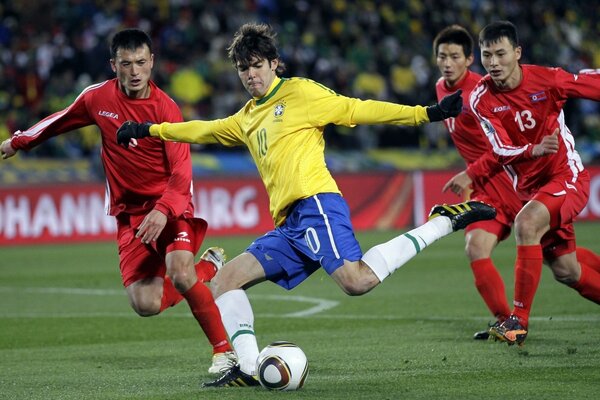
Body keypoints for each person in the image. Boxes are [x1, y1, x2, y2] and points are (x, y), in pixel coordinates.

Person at [116, 23, 496, 387]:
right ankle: (248, 367)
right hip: (288, 225)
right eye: (243, 69)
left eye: (257, 66)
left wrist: (425, 113)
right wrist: (149, 129)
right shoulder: (247, 118)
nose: (251, 76)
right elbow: (203, 129)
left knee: (356, 281)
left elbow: (358, 109)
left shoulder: (300, 94)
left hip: (316, 205)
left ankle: (443, 222)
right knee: (224, 281)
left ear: (274, 64)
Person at [0, 28, 237, 374]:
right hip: (129, 215)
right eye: (126, 63)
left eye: (141, 62)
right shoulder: (98, 99)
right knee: (145, 304)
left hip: (171, 207)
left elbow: (182, 175)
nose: (135, 71)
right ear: (114, 65)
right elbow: (60, 121)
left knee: (180, 275)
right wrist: (19, 142)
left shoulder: (166, 109)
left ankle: (224, 352)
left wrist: (162, 210)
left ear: (152, 62)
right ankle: (208, 268)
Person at [470, 21, 600, 346]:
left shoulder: (548, 79)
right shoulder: (481, 99)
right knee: (566, 270)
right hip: (532, 190)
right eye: (487, 55)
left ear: (517, 53)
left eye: (501, 54)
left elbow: (590, 83)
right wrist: (533, 149)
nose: (494, 63)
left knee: (526, 223)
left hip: (566, 176)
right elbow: (499, 150)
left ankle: (517, 322)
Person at [433, 25, 520, 340]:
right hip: (485, 187)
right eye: (442, 56)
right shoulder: (441, 88)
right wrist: (473, 177)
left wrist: (471, 172)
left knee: (564, 263)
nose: (447, 63)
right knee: (475, 246)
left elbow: (505, 145)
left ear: (469, 59)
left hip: (513, 182)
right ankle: (506, 322)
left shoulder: (480, 92)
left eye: (455, 56)